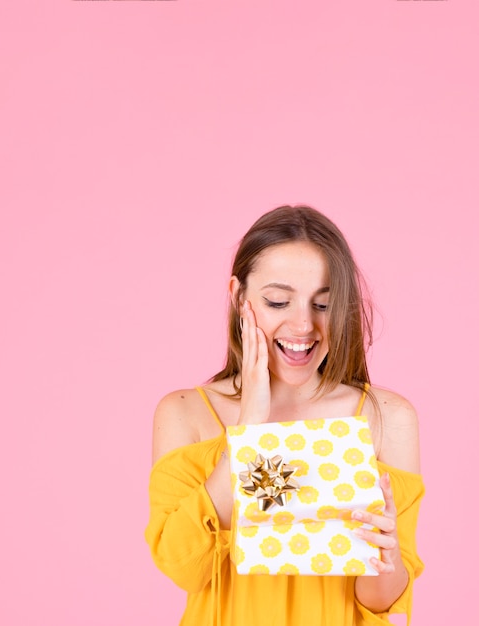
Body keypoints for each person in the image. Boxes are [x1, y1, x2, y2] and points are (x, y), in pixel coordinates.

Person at [145, 205, 423, 626]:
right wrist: (249, 429)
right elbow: (186, 569)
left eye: (324, 305)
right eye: (278, 301)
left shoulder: (387, 418)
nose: (303, 325)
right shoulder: (185, 414)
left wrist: (384, 556)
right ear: (239, 296)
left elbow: (381, 603)